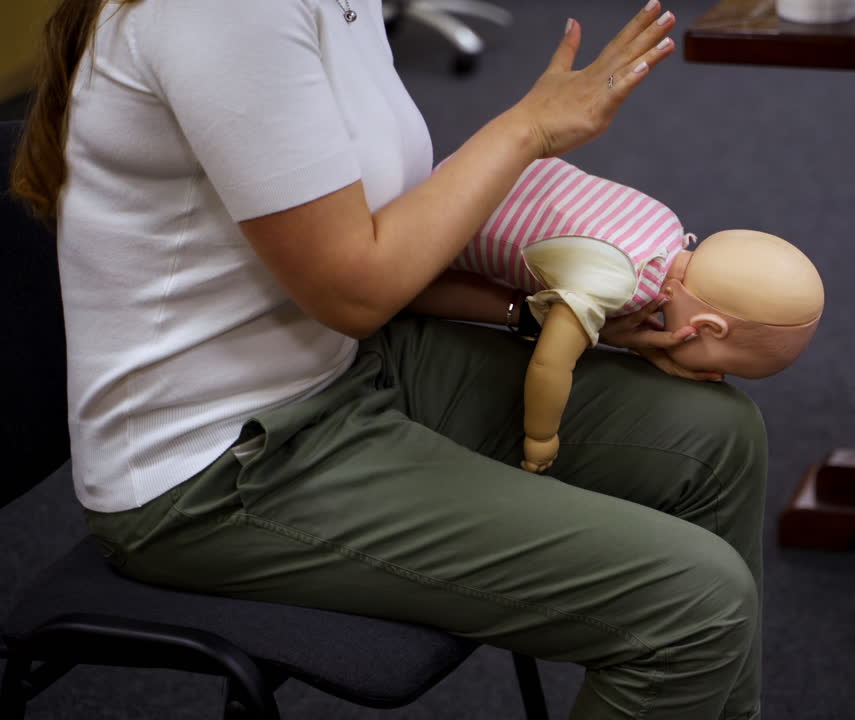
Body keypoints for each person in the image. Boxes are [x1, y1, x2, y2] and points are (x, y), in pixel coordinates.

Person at [12, 1, 769, 718]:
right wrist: (526, 130)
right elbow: (354, 288)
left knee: (716, 438)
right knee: (696, 607)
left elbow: (374, 233)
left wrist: (547, 315)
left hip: (343, 365)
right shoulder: (225, 14)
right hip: (216, 468)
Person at [445, 156, 824, 471]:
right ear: (708, 327)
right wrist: (540, 437)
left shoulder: (667, 225)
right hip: (448, 231)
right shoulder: (620, 284)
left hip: (489, 166)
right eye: (726, 369)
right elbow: (550, 363)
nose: (718, 377)